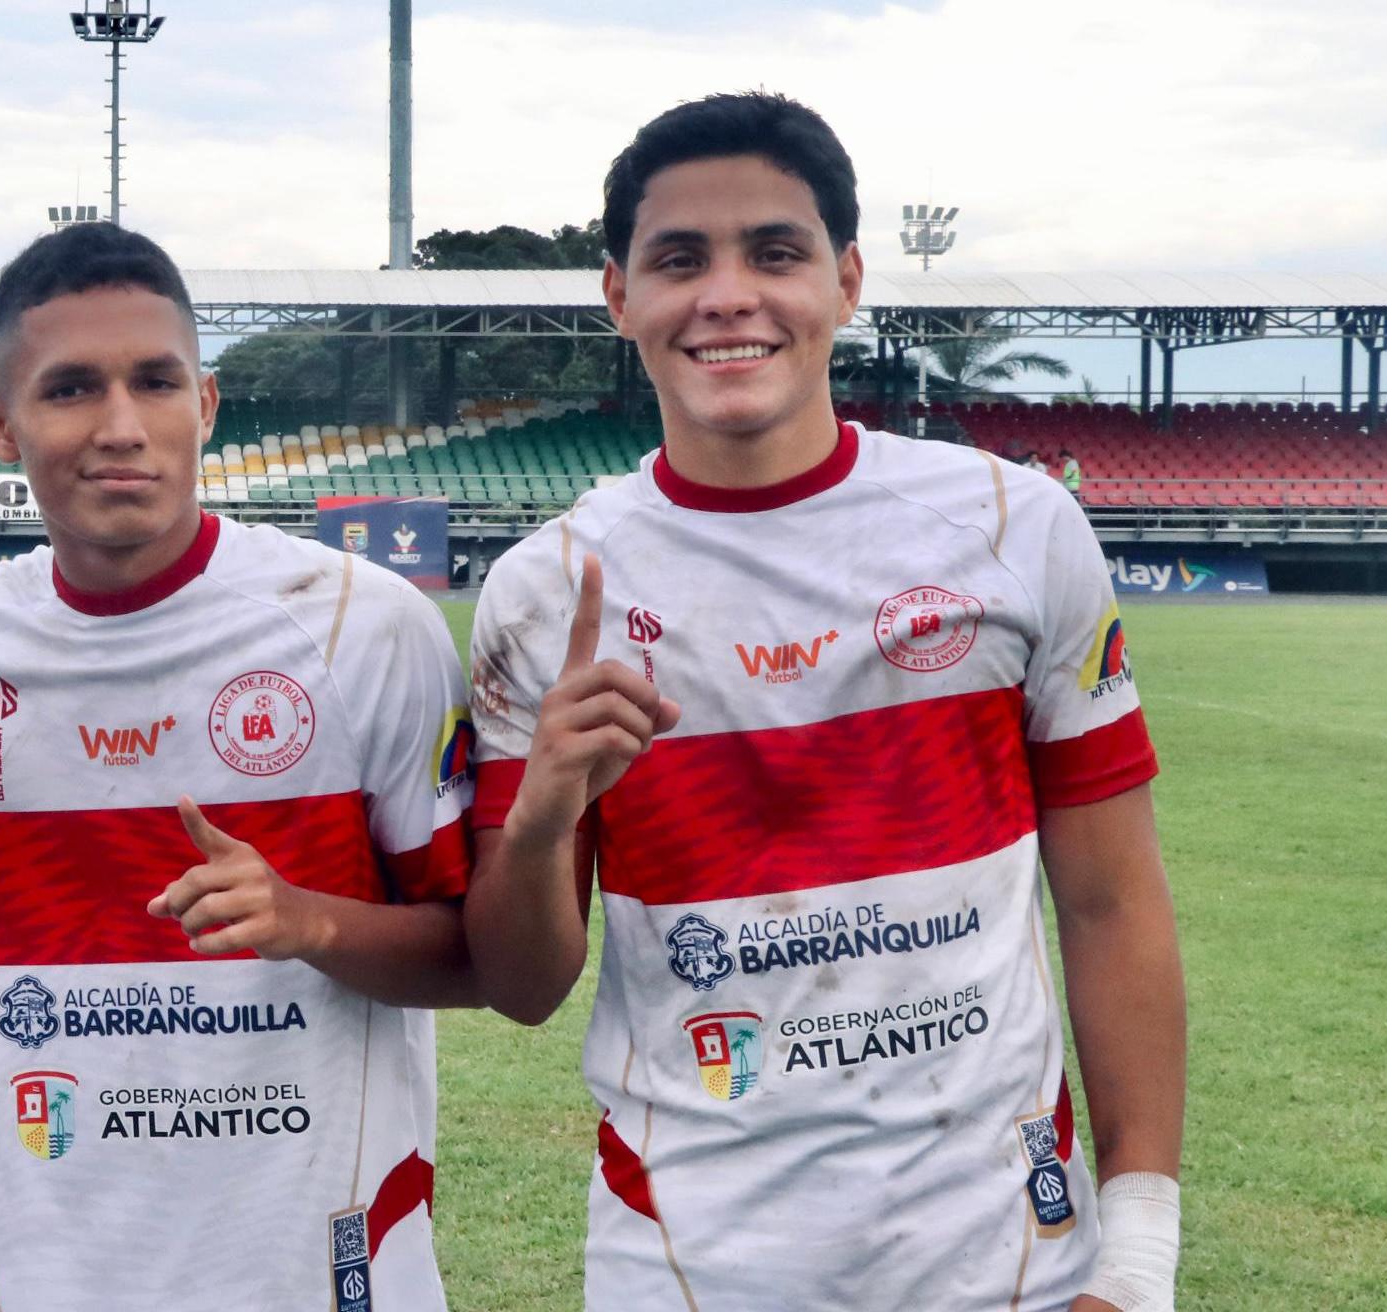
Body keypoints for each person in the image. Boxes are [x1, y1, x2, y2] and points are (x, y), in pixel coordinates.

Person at [463, 92, 1184, 1311]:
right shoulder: (545, 593)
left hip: (1006, 1251)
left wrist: (1138, 1253)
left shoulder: (1012, 527)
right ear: (616, 296)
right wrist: (537, 822)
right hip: (685, 1262)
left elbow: (1111, 902)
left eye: (775, 252)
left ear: (845, 281)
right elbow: (521, 985)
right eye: (678, 259)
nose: (727, 294)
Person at [0, 222, 479, 1311]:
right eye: (70, 388)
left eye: (155, 381)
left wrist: (307, 917)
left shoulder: (365, 627)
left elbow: (479, 958)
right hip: (50, 1274)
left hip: (329, 1277)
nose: (119, 426)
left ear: (206, 404)